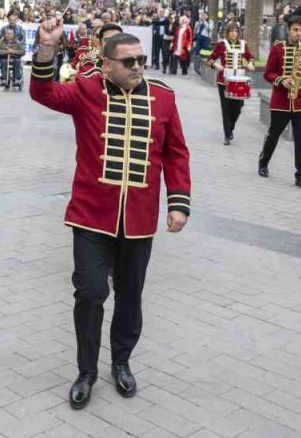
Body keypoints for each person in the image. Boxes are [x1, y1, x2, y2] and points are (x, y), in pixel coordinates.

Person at [30, 23, 191, 410]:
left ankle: (121, 361)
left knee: (130, 296)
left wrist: (178, 202)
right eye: (129, 61)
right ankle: (86, 369)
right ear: (106, 65)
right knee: (90, 293)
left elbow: (176, 153)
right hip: (90, 216)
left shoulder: (164, 98)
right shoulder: (87, 90)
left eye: (142, 60)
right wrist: (47, 51)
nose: (138, 66)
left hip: (138, 220)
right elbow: (44, 92)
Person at [260, 15, 301, 187]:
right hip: (281, 100)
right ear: (288, 30)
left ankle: (300, 175)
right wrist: (281, 81)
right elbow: (268, 73)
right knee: (274, 134)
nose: (298, 34)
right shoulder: (278, 48)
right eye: (295, 30)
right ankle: (264, 162)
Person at [206, 22, 255, 146]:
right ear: (227, 32)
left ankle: (231, 126)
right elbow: (210, 59)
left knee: (238, 107)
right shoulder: (221, 45)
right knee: (226, 108)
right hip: (224, 81)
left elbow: (251, 57)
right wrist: (216, 65)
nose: (234, 33)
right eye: (231, 31)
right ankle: (227, 134)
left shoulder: (243, 44)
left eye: (236, 31)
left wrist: (250, 64)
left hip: (240, 80)